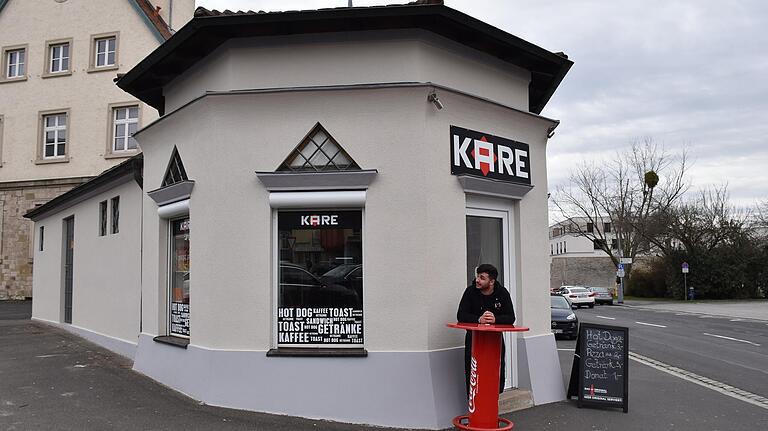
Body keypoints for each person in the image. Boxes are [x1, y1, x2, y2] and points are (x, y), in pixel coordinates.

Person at [457, 263, 515, 396]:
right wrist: (479, 319)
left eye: (482, 277)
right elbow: (461, 315)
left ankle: (492, 404)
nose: (477, 280)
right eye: (477, 276)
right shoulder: (470, 292)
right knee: (474, 377)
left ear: (492, 281)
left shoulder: (502, 293)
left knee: (495, 374)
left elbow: (511, 317)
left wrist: (496, 319)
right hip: (474, 341)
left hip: (495, 342)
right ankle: (475, 408)